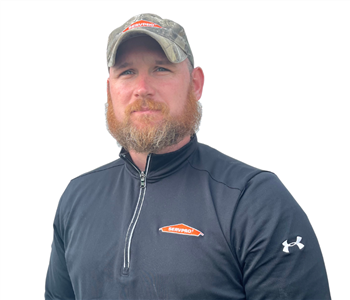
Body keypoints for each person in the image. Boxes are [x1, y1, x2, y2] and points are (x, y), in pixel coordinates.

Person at [45, 13, 331, 300]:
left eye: (161, 69)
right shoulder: (78, 198)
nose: (142, 88)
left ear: (195, 84)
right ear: (110, 90)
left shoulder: (253, 201)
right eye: (127, 72)